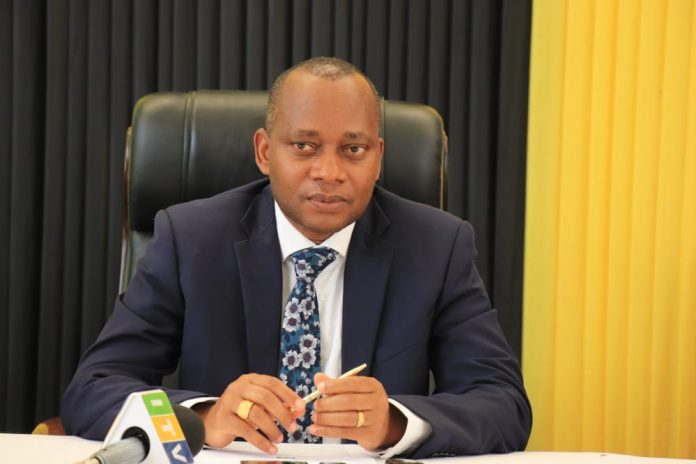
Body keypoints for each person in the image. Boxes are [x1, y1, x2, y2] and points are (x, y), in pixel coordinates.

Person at [61, 57, 532, 458]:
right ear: (265, 152)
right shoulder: (191, 238)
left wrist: (394, 422)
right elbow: (94, 387)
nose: (329, 172)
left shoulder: (437, 246)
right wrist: (204, 415)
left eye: (354, 149)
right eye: (304, 147)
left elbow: (503, 404)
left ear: (379, 157)